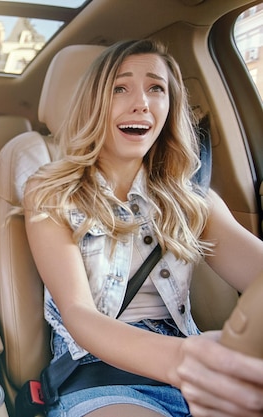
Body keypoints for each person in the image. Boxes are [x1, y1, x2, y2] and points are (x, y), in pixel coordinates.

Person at [22, 39, 263, 417]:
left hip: (195, 370)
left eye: (156, 88)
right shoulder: (52, 192)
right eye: (121, 88)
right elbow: (79, 314)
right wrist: (184, 357)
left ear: (169, 106)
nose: (142, 103)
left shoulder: (194, 200)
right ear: (95, 101)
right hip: (99, 373)